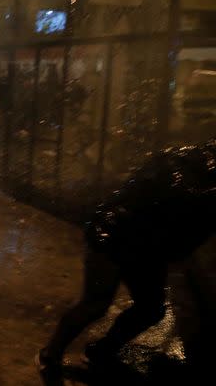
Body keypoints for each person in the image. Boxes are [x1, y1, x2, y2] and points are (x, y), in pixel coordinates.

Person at [36, 138, 216, 381]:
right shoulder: (193, 177)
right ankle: (50, 354)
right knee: (96, 303)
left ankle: (101, 352)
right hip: (112, 233)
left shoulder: (192, 165)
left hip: (144, 243)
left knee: (150, 308)